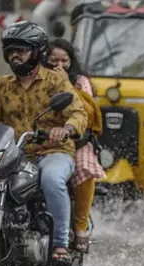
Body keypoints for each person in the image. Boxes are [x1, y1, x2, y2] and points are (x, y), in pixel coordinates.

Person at [0, 21, 87, 262]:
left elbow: (79, 113)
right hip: (13, 154)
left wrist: (65, 129)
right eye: (11, 51)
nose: (15, 56)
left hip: (53, 151)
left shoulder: (55, 81)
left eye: (21, 50)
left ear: (37, 52)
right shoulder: (1, 85)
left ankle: (60, 244)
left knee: (52, 180)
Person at [46, 38, 106, 252]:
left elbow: (86, 113)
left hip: (78, 142)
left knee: (84, 168)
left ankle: (80, 227)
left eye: (64, 61)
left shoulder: (80, 81)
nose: (59, 65)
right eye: (54, 61)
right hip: (44, 141)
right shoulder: (38, 80)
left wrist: (66, 85)